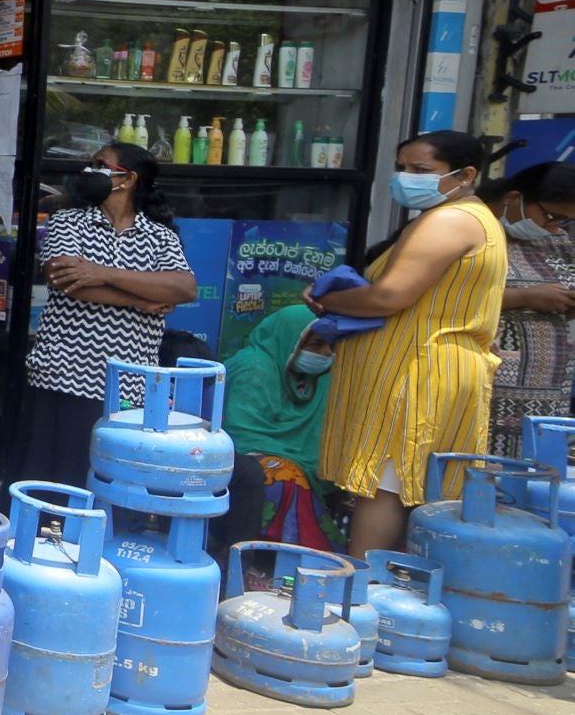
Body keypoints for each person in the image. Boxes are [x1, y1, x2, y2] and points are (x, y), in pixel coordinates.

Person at [317, 131, 507, 557]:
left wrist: (327, 299)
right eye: (402, 167)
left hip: (417, 372)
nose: (406, 178)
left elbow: (389, 296)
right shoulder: (466, 218)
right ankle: (384, 590)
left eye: (421, 171)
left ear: (467, 174)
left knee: (387, 485)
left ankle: (364, 590)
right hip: (428, 367)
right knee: (406, 484)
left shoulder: (450, 220)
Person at [4, 144, 195, 492]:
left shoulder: (160, 236)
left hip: (127, 380)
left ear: (128, 179)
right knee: (49, 482)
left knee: (104, 480)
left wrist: (101, 272)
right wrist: (143, 299)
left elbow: (184, 287)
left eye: (100, 165)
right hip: (64, 371)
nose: (90, 172)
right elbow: (67, 282)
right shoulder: (67, 223)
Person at [216, 303, 340, 552]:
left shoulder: (319, 379)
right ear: (290, 341)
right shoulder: (254, 367)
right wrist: (296, 461)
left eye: (330, 346)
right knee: (286, 477)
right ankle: (278, 557)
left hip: (297, 460)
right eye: (316, 345)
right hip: (237, 459)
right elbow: (240, 434)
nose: (326, 353)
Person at [479, 162, 575, 456]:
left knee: (531, 475)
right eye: (550, 216)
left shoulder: (555, 238)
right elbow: (447, 297)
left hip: (550, 385)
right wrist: (524, 297)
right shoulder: (474, 230)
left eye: (565, 220)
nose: (555, 226)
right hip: (490, 382)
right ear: (513, 198)